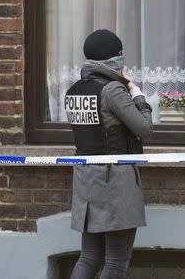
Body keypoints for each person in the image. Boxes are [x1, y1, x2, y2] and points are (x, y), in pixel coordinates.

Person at [65, 29, 153, 279]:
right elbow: (144, 128)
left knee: (89, 257)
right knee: (115, 262)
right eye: (120, 56)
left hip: (85, 179)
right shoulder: (112, 90)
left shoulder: (74, 90)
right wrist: (136, 93)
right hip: (115, 180)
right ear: (113, 60)